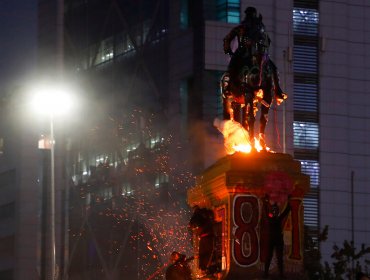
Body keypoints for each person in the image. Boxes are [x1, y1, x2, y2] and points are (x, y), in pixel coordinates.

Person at [222, 6, 287, 103]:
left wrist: (228, 51)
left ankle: (277, 90)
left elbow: (267, 40)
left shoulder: (256, 27)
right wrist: (229, 51)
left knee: (272, 67)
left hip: (251, 53)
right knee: (232, 67)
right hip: (245, 53)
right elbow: (228, 39)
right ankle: (228, 88)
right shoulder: (246, 27)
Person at [262, 195, 291, 279]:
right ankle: (278, 274)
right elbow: (286, 210)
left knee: (271, 257)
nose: (274, 212)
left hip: (273, 239)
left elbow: (286, 210)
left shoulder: (271, 218)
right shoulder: (277, 218)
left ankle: (267, 274)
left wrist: (265, 201)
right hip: (276, 239)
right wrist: (289, 200)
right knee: (277, 257)